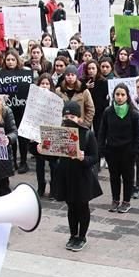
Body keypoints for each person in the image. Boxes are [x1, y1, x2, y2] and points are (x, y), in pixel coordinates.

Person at [48, 101, 102, 251]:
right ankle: (73, 235)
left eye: (72, 116)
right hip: (66, 175)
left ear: (78, 118)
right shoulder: (59, 133)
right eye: (66, 116)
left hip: (82, 176)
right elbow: (53, 157)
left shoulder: (87, 134)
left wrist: (82, 158)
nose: (69, 119)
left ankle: (82, 236)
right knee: (71, 206)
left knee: (82, 206)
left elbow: (95, 157)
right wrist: (41, 149)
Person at [98, 83, 139, 213]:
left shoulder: (133, 114)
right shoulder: (108, 112)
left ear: (127, 96)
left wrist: (134, 151)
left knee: (127, 177)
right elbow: (102, 131)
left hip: (127, 152)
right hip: (112, 150)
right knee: (114, 176)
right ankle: (115, 199)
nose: (120, 97)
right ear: (113, 96)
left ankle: (126, 201)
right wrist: (102, 149)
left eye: (123, 95)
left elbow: (137, 135)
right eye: (117, 94)